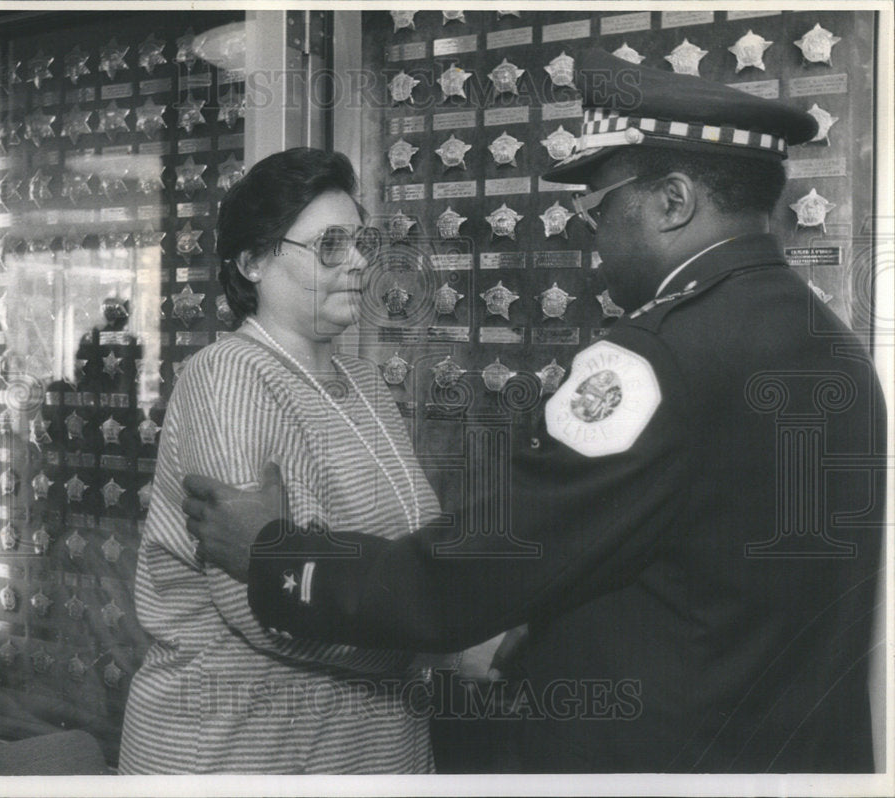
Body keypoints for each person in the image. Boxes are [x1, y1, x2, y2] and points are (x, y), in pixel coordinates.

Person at [182, 51, 886, 772]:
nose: (591, 234)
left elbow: (462, 575)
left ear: (674, 201)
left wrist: (275, 556)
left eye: (601, 206)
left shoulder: (652, 363)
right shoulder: (828, 343)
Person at [119, 148, 500, 774]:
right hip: (242, 752)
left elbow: (414, 551)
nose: (357, 262)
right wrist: (453, 644)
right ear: (253, 262)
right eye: (329, 245)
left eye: (360, 242)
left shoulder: (365, 382)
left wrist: (446, 620)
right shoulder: (230, 375)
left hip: (369, 748)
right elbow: (264, 606)